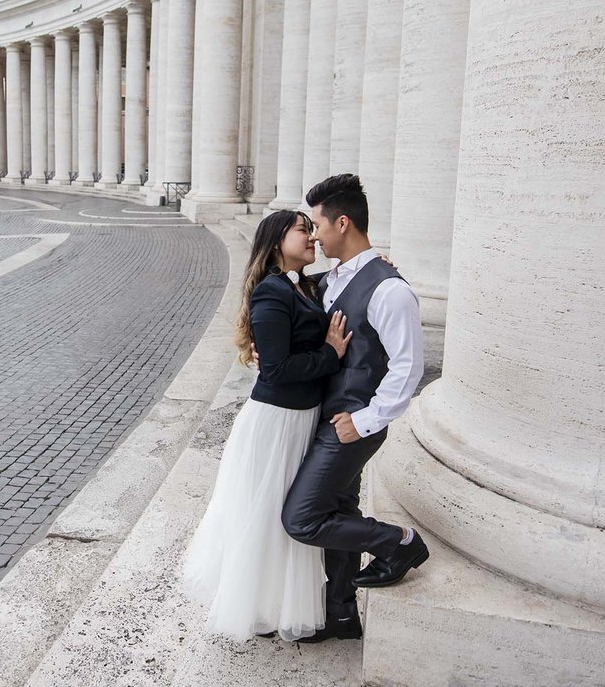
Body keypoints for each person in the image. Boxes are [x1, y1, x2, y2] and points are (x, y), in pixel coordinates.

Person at [183, 210, 351, 641]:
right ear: (278, 241)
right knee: (265, 516)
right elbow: (274, 369)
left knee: (284, 516)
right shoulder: (271, 293)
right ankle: (258, 608)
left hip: (298, 419)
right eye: (303, 230)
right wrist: (330, 354)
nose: (312, 236)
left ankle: (273, 603)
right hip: (276, 423)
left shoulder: (306, 285)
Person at [280, 173, 427, 644]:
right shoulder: (332, 279)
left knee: (302, 518)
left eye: (318, 226)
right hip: (325, 416)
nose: (315, 236)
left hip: (351, 424)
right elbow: (286, 296)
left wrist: (365, 421)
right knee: (339, 508)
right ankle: (340, 614)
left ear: (342, 223)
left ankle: (400, 544)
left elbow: (408, 367)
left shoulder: (390, 291)